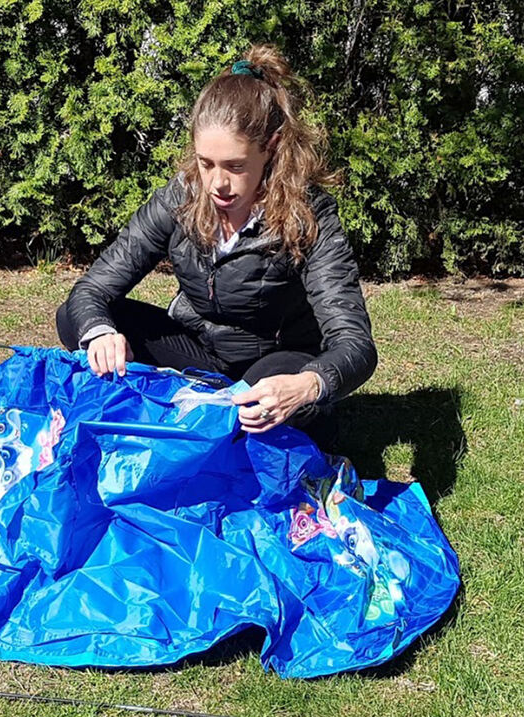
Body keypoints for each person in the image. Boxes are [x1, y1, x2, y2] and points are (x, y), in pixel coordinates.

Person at [57, 44, 377, 447]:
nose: (217, 184)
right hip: (198, 352)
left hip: (276, 360)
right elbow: (92, 289)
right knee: (76, 318)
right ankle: (187, 414)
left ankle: (236, 421)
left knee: (260, 400)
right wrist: (100, 331)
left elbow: (355, 344)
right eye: (206, 163)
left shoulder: (310, 216)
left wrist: (309, 385)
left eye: (235, 166)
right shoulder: (180, 197)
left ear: (273, 148)